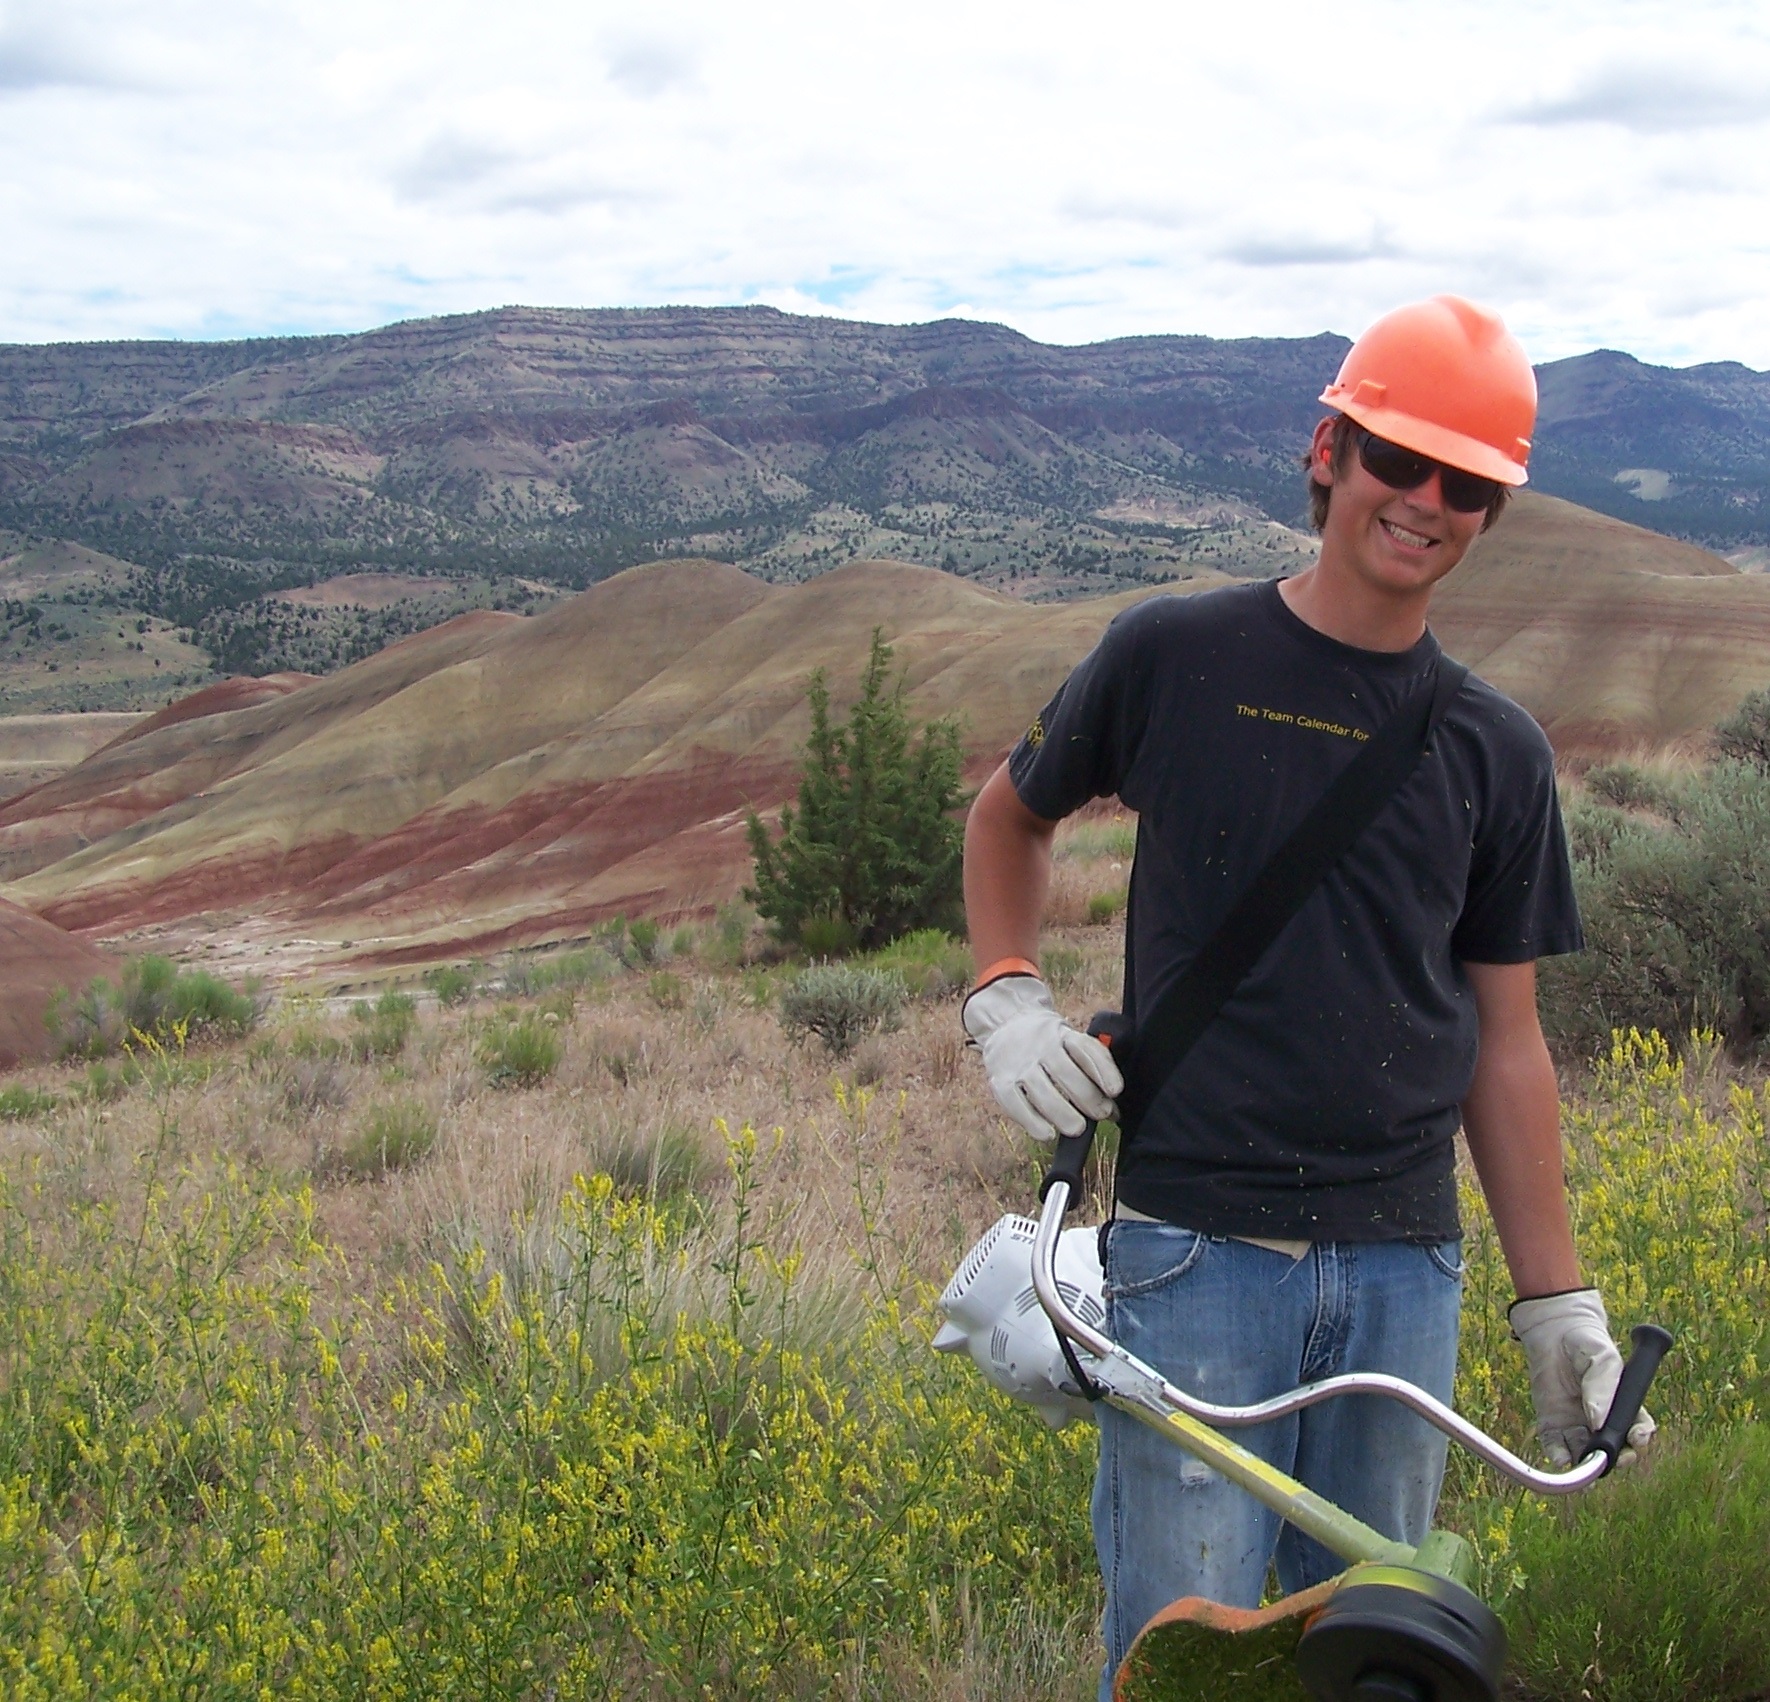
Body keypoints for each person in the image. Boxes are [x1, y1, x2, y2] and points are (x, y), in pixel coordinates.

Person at [958, 295, 1654, 1697]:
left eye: (1467, 486)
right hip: (1192, 1252)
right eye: (1400, 460)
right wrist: (1006, 996)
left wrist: (1554, 1305)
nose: (1426, 502)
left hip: (1405, 1268)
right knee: (1181, 1654)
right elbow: (1005, 817)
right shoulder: (1175, 654)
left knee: (1365, 1662)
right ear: (1326, 450)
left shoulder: (1494, 751)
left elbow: (1502, 1048)